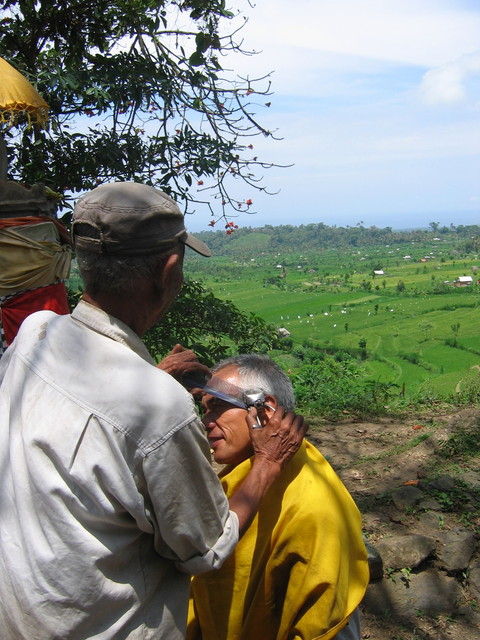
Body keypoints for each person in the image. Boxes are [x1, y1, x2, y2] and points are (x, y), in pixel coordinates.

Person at [0, 182, 307, 640]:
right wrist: (266, 463)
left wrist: (151, 379)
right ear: (168, 271)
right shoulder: (161, 409)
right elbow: (205, 549)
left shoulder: (35, 335)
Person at [187, 354, 369, 640]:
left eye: (219, 407)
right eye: (204, 409)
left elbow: (324, 626)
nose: (205, 421)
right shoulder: (236, 478)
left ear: (264, 410)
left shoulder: (312, 502)